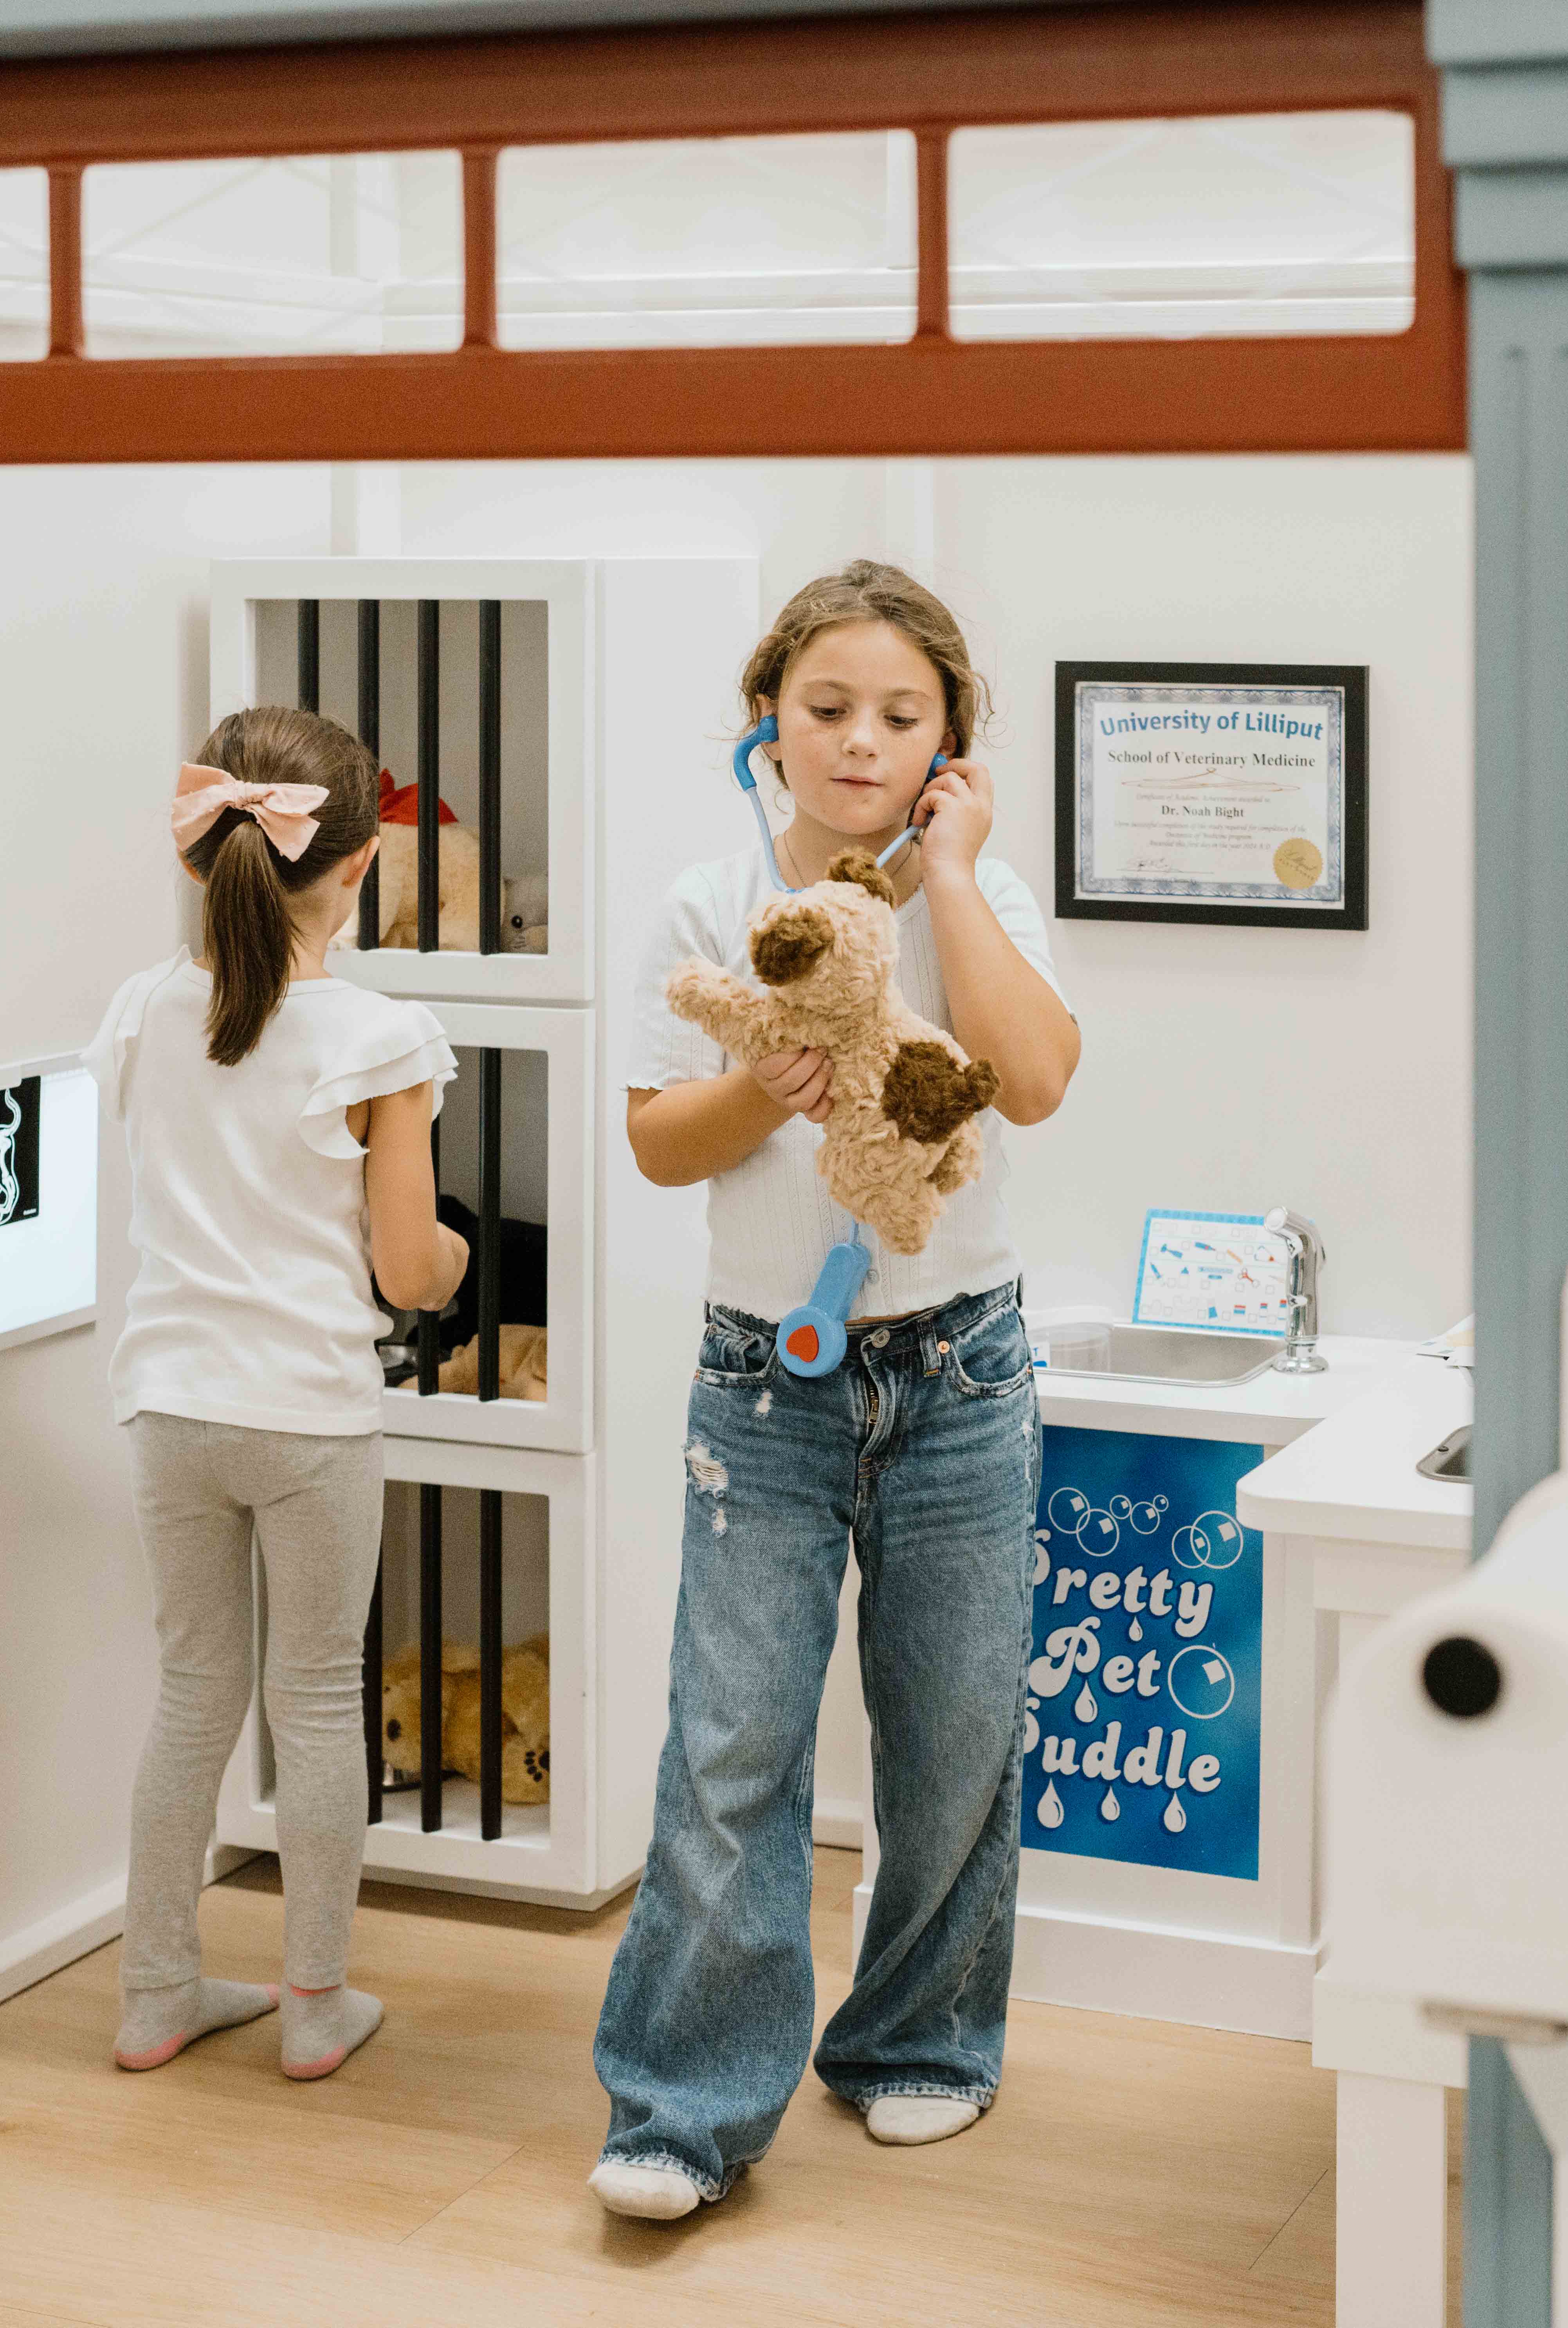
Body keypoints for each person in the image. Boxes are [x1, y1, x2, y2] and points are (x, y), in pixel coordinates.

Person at [590, 561, 1080, 2218]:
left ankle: (919, 2042)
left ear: (948, 742)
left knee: (951, 1729)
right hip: (764, 1381)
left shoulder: (983, 896)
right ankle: (681, 2104)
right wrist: (759, 1088)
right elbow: (660, 1145)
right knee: (729, 1744)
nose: (858, 739)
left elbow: (1040, 1079)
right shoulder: (701, 901)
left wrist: (947, 875)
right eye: (826, 708)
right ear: (767, 722)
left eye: (898, 715)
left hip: (961, 1365)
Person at [89, 705, 468, 2081]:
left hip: (169, 1404)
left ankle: (154, 1993)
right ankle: (313, 2003)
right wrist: (467, 1254)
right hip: (309, 1413)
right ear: (359, 867)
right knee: (313, 1698)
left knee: (193, 1693)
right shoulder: (381, 1035)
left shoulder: (142, 1008)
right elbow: (412, 1267)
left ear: (203, 858)